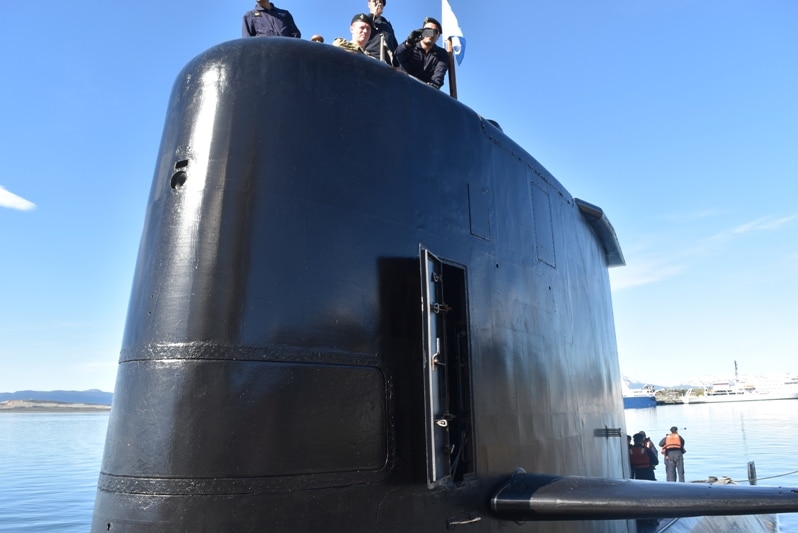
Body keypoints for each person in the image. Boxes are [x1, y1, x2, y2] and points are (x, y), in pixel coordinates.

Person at [394, 17, 449, 89]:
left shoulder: (441, 54)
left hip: (423, 92)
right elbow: (398, 54)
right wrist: (408, 43)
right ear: (422, 32)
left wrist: (432, 86)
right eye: (428, 30)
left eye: (435, 32)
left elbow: (438, 76)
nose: (431, 34)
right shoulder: (410, 46)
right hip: (402, 87)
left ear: (438, 36)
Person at [364, 0, 398, 66]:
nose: (378, 4)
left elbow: (395, 47)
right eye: (374, 1)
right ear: (369, 4)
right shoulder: (364, 20)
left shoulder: (388, 25)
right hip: (369, 62)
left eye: (381, 2)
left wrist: (397, 65)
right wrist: (373, 14)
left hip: (388, 67)